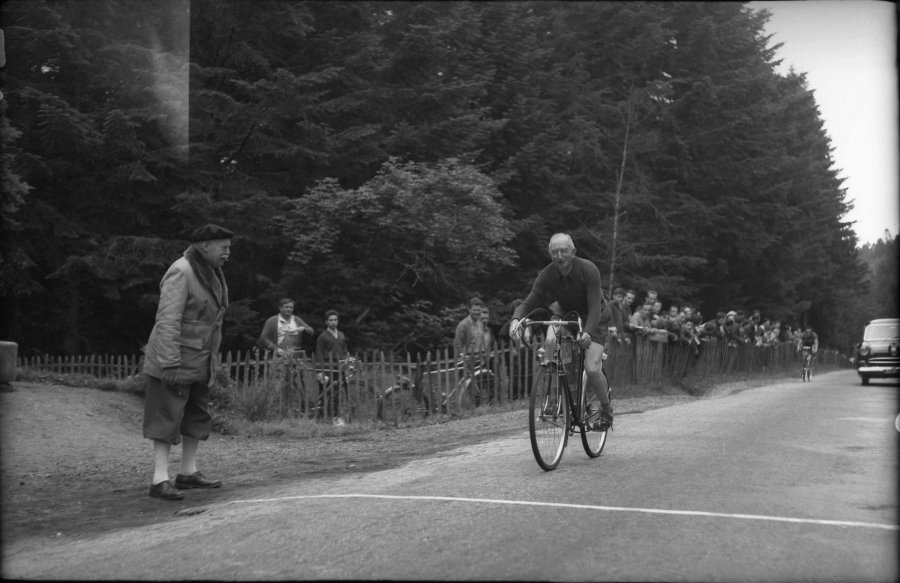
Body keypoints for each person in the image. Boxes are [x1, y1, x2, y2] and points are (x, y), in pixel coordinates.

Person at [142, 224, 233, 501]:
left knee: (196, 416)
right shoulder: (182, 270)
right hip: (175, 360)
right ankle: (159, 480)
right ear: (205, 245)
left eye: (228, 248)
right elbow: (167, 319)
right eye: (223, 247)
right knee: (165, 417)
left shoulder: (211, 271)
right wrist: (169, 362)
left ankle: (188, 473)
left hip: (200, 360)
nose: (228, 253)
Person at [508, 233, 613, 430]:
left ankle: (606, 408)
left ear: (573, 252)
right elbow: (530, 300)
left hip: (594, 318)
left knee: (591, 368)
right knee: (549, 345)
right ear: (549, 254)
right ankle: (554, 398)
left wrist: (588, 332)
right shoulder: (547, 274)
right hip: (567, 316)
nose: (559, 256)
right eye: (554, 252)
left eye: (564, 251)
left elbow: (594, 308)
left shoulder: (589, 269)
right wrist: (515, 320)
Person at [259, 298, 315, 416]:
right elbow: (264, 338)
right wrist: (277, 349)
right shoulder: (273, 321)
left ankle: (293, 411)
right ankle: (274, 411)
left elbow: (312, 331)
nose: (289, 309)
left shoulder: (297, 320)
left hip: (294, 357)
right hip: (278, 356)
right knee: (277, 384)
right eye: (286, 307)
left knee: (294, 385)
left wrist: (303, 328)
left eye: (291, 307)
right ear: (280, 308)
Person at [316, 309, 349, 424]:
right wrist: (320, 372)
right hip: (327, 367)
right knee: (325, 393)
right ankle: (322, 417)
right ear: (326, 322)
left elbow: (344, 350)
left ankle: (335, 416)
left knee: (337, 392)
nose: (333, 322)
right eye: (331, 320)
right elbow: (319, 354)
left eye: (335, 320)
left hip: (339, 367)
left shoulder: (341, 335)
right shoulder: (323, 336)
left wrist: (346, 362)